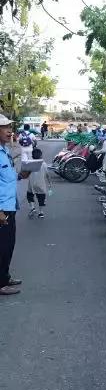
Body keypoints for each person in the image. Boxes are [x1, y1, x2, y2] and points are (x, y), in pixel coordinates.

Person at [0, 114, 25, 295]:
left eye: (10, 127)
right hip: (2, 209)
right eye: (4, 128)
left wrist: (22, 175)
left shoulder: (5, 151)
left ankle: (5, 276)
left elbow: (6, 179)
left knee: (9, 244)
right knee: (2, 246)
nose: (9, 131)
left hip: (10, 205)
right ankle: (1, 283)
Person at [26, 147, 50, 218]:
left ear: (32, 156)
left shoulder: (30, 163)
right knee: (41, 198)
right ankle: (41, 212)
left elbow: (26, 173)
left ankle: (32, 208)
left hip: (32, 184)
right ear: (41, 155)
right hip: (41, 185)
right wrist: (49, 183)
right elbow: (47, 175)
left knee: (29, 195)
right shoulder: (44, 164)